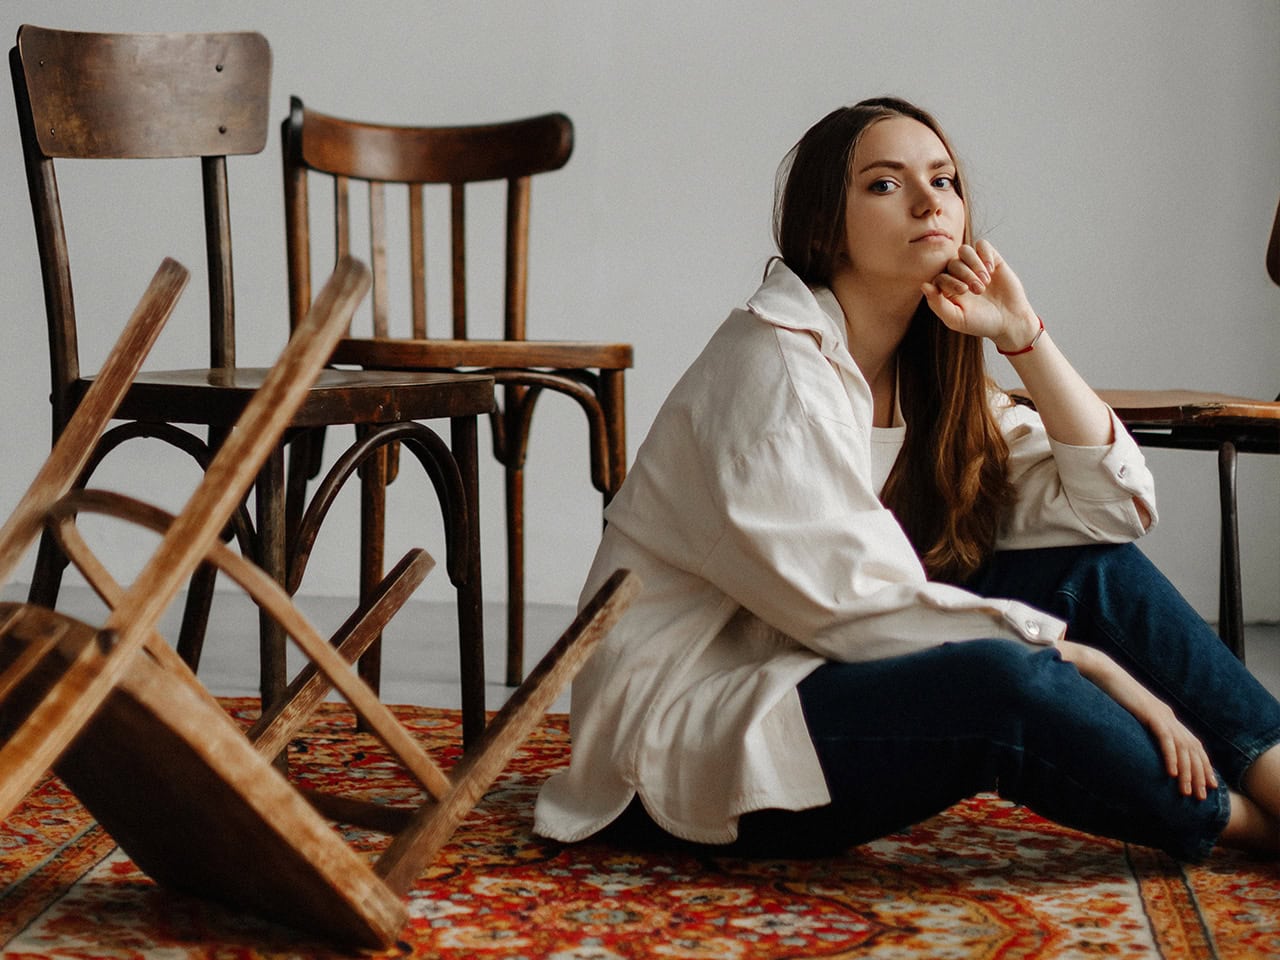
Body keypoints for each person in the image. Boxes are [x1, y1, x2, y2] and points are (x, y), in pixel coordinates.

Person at [534, 97, 1280, 861]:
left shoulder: (924, 376)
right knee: (1000, 677)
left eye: (945, 180)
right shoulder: (772, 370)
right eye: (885, 185)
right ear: (826, 226)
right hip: (688, 745)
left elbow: (1112, 510)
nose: (931, 203)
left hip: (811, 677)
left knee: (1085, 571)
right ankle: (1247, 828)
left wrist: (1025, 339)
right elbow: (854, 610)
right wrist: (1082, 661)